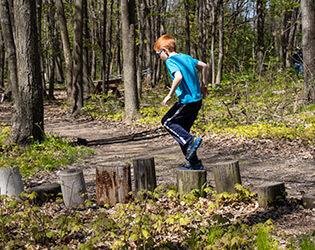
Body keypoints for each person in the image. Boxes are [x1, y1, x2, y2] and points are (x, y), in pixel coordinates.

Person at [153, 34, 209, 170]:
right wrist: (204, 85)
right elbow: (205, 66)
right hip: (197, 101)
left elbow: (178, 77)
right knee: (182, 132)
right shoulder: (186, 57)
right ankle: (194, 162)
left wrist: (169, 95)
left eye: (158, 54)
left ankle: (191, 140)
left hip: (186, 101)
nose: (159, 57)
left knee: (167, 122)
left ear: (165, 50)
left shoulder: (171, 61)